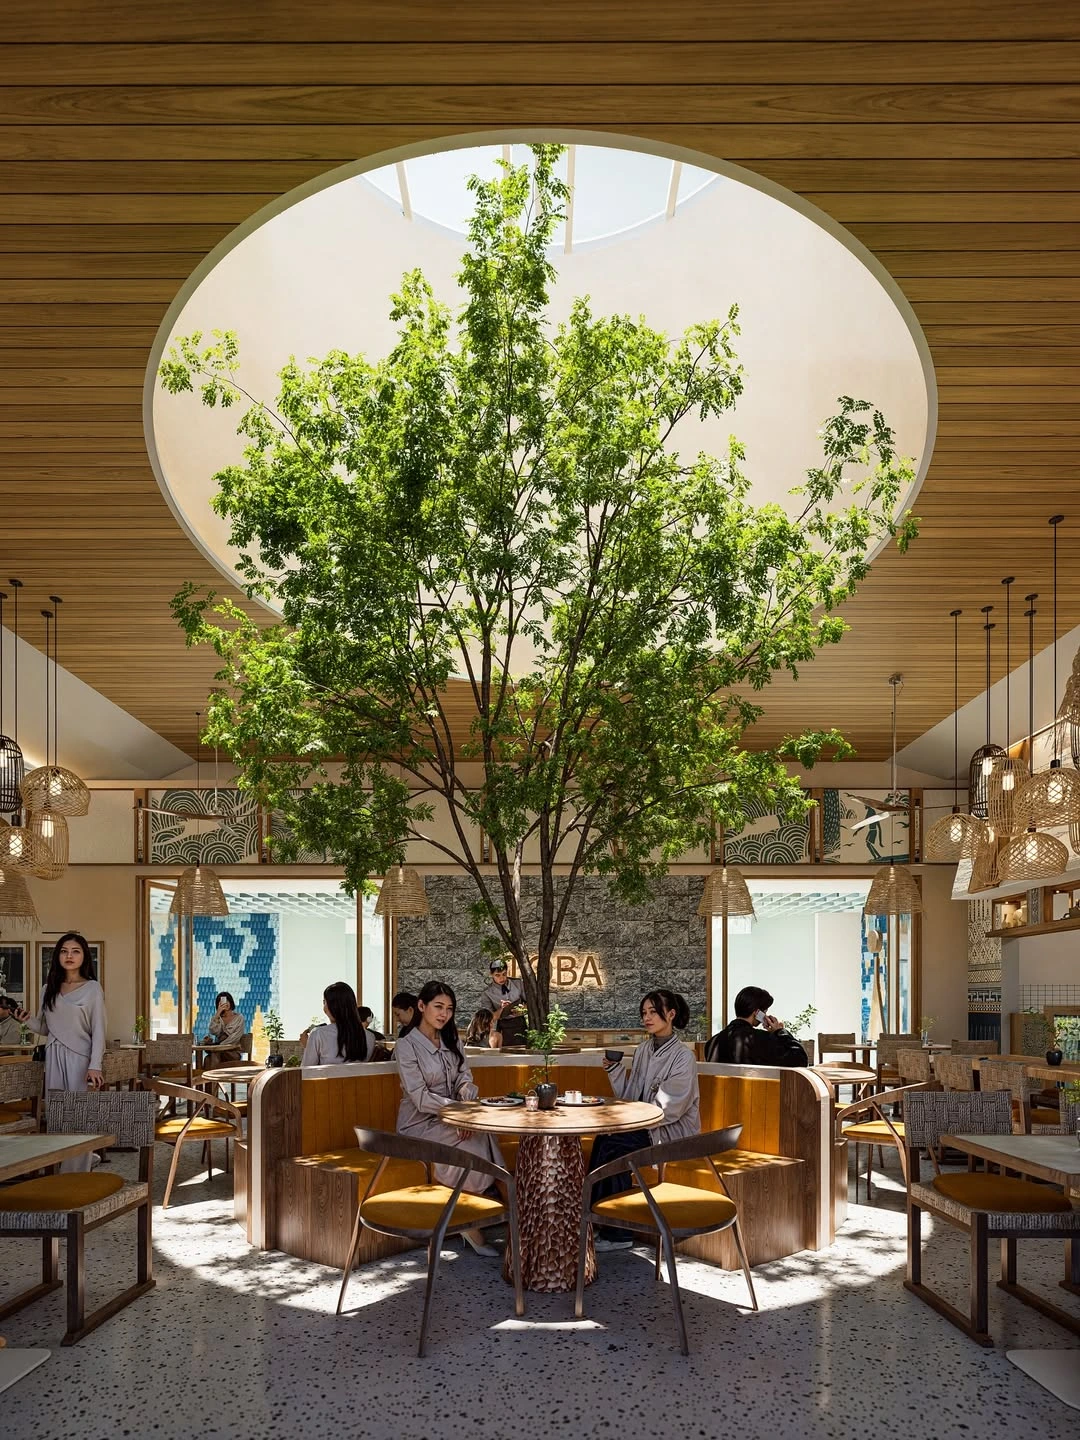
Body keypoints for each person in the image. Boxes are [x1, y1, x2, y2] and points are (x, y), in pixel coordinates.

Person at [395, 980, 506, 1257]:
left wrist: (467, 1102)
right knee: (470, 1142)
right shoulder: (406, 1046)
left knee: (485, 1131)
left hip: (454, 1116)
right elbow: (419, 1097)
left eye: (449, 1008)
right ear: (421, 1006)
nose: (444, 1014)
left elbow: (463, 1078)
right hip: (418, 1124)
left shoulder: (452, 1038)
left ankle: (487, 1205)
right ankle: (478, 1216)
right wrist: (459, 1114)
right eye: (438, 1007)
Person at [589, 989, 699, 1251]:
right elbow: (630, 1097)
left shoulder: (684, 1057)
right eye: (644, 1013)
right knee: (603, 1139)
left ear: (671, 1014)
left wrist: (629, 1121)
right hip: (641, 1126)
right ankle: (596, 1220)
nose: (647, 1018)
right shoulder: (643, 1050)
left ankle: (617, 1232)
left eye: (653, 1012)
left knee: (615, 1147)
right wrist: (615, 1071)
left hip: (669, 1132)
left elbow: (669, 1109)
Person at [15, 932, 106, 1173]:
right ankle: (60, 1171)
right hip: (54, 1056)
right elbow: (46, 1028)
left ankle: (80, 1168)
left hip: (81, 1059)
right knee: (58, 1115)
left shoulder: (93, 988)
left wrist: (95, 1065)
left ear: (84, 956)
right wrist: (27, 1021)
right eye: (64, 951)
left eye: (75, 951)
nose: (69, 956)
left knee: (80, 1115)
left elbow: (98, 1030)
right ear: (57, 956)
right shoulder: (49, 988)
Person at [704, 986, 809, 1068]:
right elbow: (800, 1060)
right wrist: (780, 1031)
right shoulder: (760, 1039)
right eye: (765, 1011)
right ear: (757, 1013)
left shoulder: (712, 1042)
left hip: (723, 1095)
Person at [302, 982, 382, 1065]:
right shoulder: (370, 1037)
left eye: (324, 1002)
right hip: (359, 1078)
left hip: (329, 1078)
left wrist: (307, 1046)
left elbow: (306, 1072)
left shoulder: (318, 1034)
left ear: (330, 1006)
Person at [481, 959, 527, 1047]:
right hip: (503, 1026)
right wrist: (502, 1009)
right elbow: (489, 1018)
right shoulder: (487, 993)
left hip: (520, 1023)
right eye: (497, 975)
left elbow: (531, 1004)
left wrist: (522, 1009)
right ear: (491, 974)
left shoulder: (518, 984)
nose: (501, 978)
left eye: (504, 974)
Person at [203, 991, 247, 1067]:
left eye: (227, 1001)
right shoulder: (218, 1018)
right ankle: (211, 1078)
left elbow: (235, 1037)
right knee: (207, 1059)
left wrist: (219, 1046)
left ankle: (212, 1078)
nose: (225, 1003)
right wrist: (217, 1013)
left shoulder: (239, 1018)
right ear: (218, 1005)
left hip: (232, 1050)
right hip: (218, 1049)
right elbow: (213, 1031)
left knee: (213, 1055)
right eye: (222, 1002)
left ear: (231, 1002)